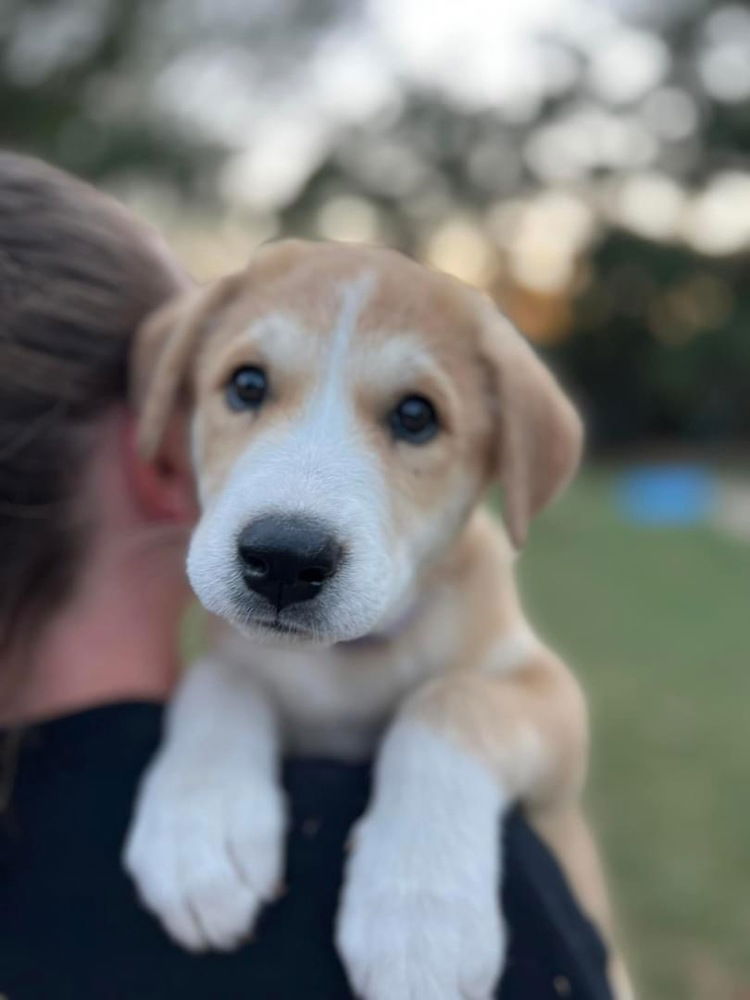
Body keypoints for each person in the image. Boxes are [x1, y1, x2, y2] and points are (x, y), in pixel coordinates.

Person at [0, 152, 613, 1000]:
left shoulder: (472, 601)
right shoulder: (221, 669)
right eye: (249, 386)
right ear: (165, 419)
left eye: (414, 415)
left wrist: (449, 753)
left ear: (504, 471)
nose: (297, 510)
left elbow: (548, 713)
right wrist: (221, 713)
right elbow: (243, 670)